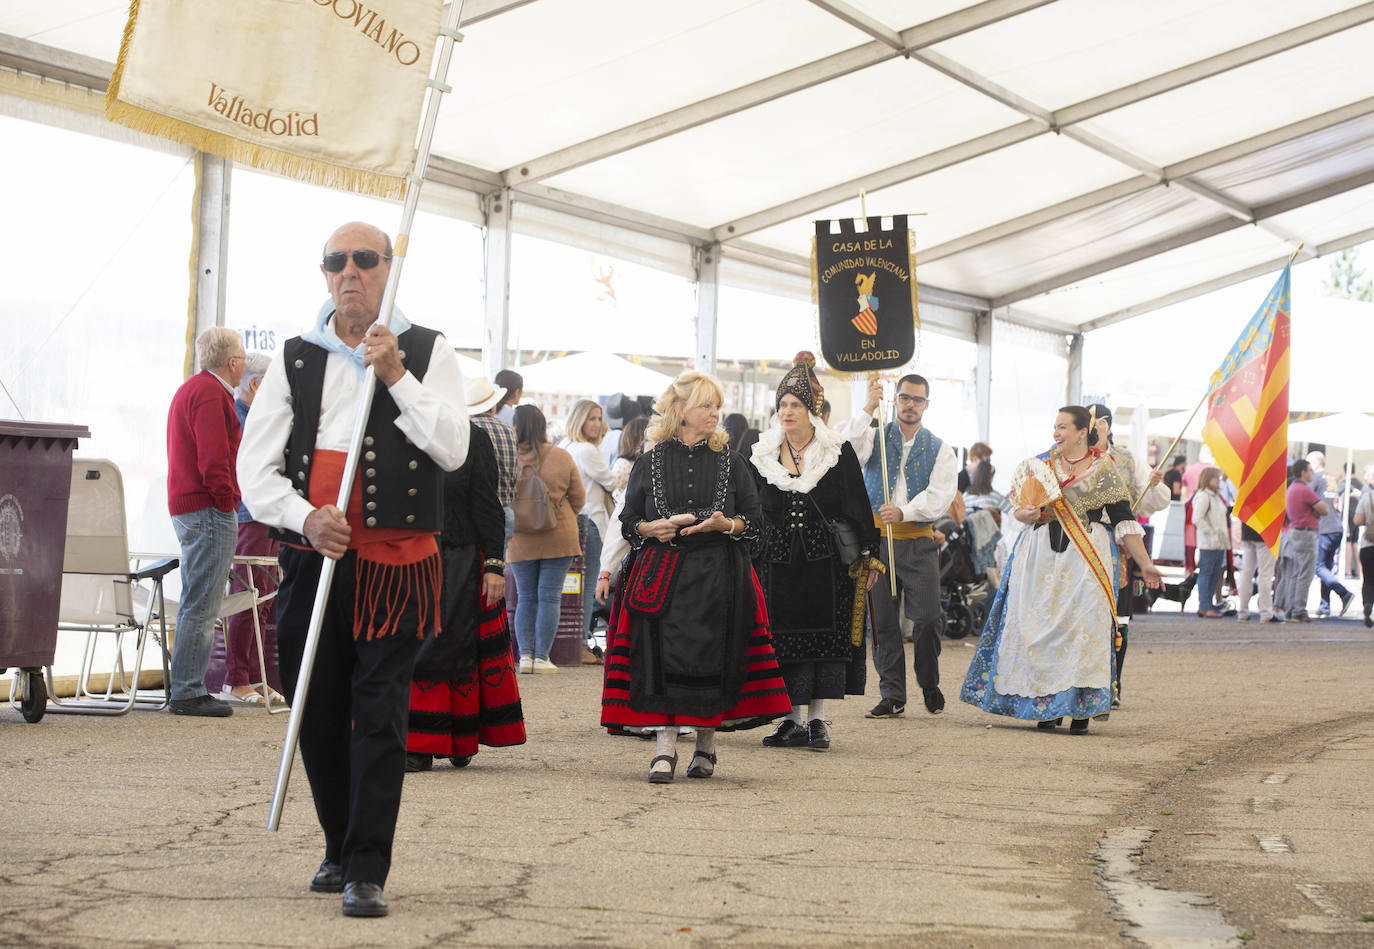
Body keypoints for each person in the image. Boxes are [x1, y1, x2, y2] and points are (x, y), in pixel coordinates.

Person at [237, 220, 468, 918]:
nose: (350, 272)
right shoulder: (297, 357)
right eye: (336, 261)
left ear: (388, 269)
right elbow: (256, 466)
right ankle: (338, 844)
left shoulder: (428, 350)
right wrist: (304, 514)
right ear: (325, 274)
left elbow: (453, 448)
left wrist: (395, 374)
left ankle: (368, 866)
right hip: (315, 558)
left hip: (395, 566)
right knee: (316, 705)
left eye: (364, 260)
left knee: (379, 714)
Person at [600, 371, 791, 783]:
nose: (714, 413)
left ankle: (706, 747)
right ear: (681, 411)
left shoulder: (733, 461)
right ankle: (664, 748)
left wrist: (725, 525)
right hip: (661, 576)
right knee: (660, 662)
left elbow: (756, 525)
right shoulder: (650, 461)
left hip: (719, 575)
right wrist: (653, 529)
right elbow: (629, 519)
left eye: (717, 406)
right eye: (706, 404)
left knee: (713, 660)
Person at [959, 406, 1163, 734]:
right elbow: (1015, 509)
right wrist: (1026, 514)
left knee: (1082, 630)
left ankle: (1080, 708)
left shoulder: (1104, 469)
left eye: (1063, 427)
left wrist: (1146, 563)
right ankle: (1045, 704)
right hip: (1039, 554)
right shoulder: (1041, 464)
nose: (1057, 433)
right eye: (1055, 427)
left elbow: (1125, 519)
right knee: (1037, 625)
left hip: (1086, 555)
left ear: (1083, 431)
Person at [749, 353, 879, 752]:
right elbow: (751, 507)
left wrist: (869, 554)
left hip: (827, 565)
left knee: (826, 641)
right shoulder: (761, 455)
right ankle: (791, 721)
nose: (788, 412)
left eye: (796, 405)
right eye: (783, 404)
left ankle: (818, 720)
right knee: (783, 642)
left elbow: (858, 504)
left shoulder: (837, 452)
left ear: (813, 410)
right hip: (778, 563)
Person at [405, 422, 525, 773]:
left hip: (457, 555)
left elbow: (488, 504)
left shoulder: (471, 437)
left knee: (450, 646)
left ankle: (454, 739)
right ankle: (415, 741)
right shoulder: (395, 428)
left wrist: (493, 565)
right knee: (406, 645)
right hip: (404, 555)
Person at [839, 375, 958, 718]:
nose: (909, 404)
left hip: (917, 540)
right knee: (882, 622)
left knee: (928, 618)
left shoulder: (940, 448)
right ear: (895, 399)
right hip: (876, 542)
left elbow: (939, 497)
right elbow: (846, 452)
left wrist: (904, 511)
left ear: (926, 404)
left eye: (917, 400)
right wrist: (866, 407)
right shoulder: (875, 435)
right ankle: (892, 694)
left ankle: (929, 679)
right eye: (904, 397)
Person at [165, 326, 246, 717]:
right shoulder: (213, 394)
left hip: (187, 506)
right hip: (209, 508)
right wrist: (228, 501)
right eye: (243, 358)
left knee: (194, 598)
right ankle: (188, 690)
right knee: (203, 601)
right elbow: (215, 459)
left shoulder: (189, 389)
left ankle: (184, 684)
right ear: (231, 363)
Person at [1085, 404, 1169, 708]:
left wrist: (1156, 485)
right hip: (1077, 544)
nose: (1094, 429)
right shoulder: (1070, 459)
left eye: (1098, 423)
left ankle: (1114, 681)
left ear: (1107, 426)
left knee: (1118, 616)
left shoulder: (1125, 460)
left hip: (1116, 543)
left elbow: (1148, 502)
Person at [221, 351, 285, 707]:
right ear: (257, 383)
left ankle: (254, 676)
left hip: (266, 513)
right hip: (250, 514)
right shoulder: (239, 418)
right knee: (249, 596)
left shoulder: (256, 417)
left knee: (262, 597)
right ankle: (237, 679)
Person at [507, 404, 584, 674]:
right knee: (550, 597)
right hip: (559, 534)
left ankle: (525, 658)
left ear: (515, 426)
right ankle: (542, 659)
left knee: (525, 597)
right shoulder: (561, 456)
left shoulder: (509, 457)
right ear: (543, 426)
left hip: (519, 536)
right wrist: (558, 515)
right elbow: (579, 499)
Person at [559, 399, 616, 642]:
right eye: (591, 418)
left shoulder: (565, 445)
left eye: (598, 418)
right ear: (579, 419)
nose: (597, 424)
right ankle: (581, 640)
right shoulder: (588, 451)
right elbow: (612, 483)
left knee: (570, 585)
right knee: (588, 585)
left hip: (570, 523)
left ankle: (569, 639)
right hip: (591, 523)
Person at [467, 376, 519, 549]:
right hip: (504, 510)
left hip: (473, 512)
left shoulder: (466, 430)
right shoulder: (509, 431)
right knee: (497, 570)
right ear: (494, 406)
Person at [1273, 459, 1328, 623]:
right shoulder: (1305, 490)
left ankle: (1291, 609)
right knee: (1306, 573)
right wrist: (1315, 510)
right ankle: (1299, 610)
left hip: (1294, 531)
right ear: (1303, 472)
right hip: (1306, 533)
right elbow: (1324, 509)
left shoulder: (1292, 488)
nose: (1312, 473)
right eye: (1310, 470)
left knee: (1294, 573)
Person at [1308, 451, 1355, 617]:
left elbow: (1307, 500)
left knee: (1318, 566)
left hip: (1324, 528)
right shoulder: (1331, 478)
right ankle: (1325, 605)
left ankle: (1343, 593)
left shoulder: (1315, 478)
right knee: (1325, 567)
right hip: (1336, 526)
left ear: (1314, 464)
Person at [1192, 467, 1230, 618]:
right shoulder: (1204, 496)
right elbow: (1197, 518)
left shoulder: (1215, 496)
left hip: (1218, 542)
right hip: (1209, 542)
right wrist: (1211, 533)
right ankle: (1204, 605)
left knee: (1215, 574)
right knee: (1207, 573)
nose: (1218, 480)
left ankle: (1208, 604)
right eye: (1215, 477)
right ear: (1208, 479)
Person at [1236, 521, 1278, 624]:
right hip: (1267, 529)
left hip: (1248, 528)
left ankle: (1242, 612)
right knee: (1265, 574)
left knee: (1246, 572)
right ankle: (1266, 613)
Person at [1354, 482, 1374, 628]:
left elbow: (1358, 520)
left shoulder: (1367, 497)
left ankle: (1367, 604)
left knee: (1368, 580)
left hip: (1368, 545)